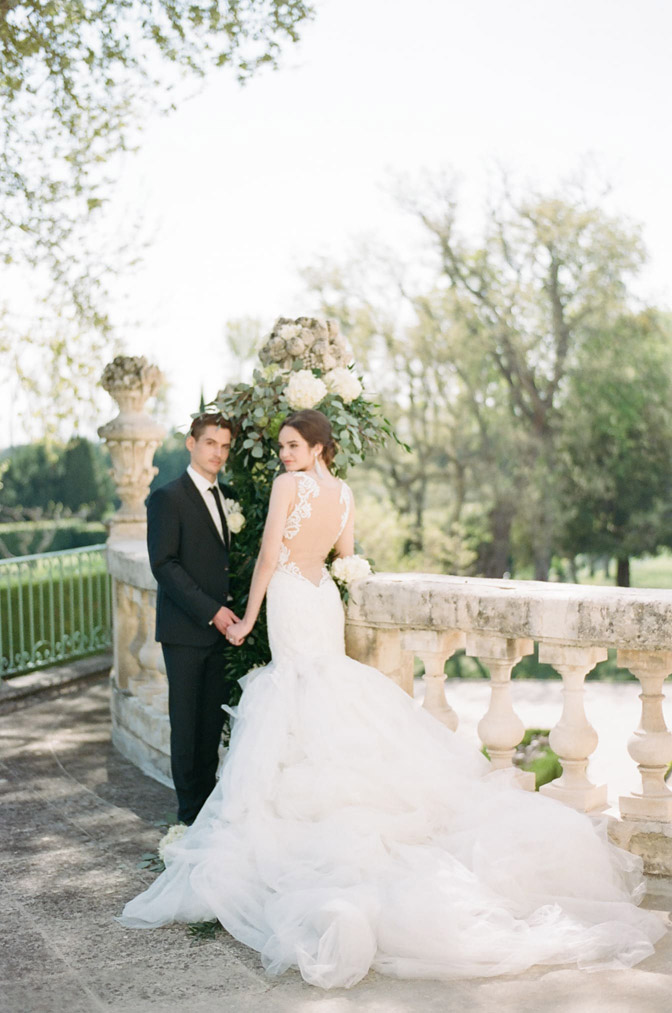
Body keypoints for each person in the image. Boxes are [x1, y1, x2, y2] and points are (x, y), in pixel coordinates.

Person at [121, 409, 665, 989]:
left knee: (297, 698)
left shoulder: (287, 487)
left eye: (292, 445)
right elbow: (345, 558)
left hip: (287, 596)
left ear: (317, 448)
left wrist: (249, 615)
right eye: (281, 447)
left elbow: (268, 555)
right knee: (325, 690)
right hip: (322, 598)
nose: (282, 454)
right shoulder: (344, 493)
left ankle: (304, 820)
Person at [146, 412, 239, 826]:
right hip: (186, 632)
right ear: (191, 443)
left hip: (224, 634)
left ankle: (206, 819)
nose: (217, 453)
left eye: (224, 446)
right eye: (210, 444)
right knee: (186, 728)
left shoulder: (230, 497)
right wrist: (212, 612)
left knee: (210, 727)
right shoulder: (167, 497)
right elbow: (164, 565)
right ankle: (187, 821)